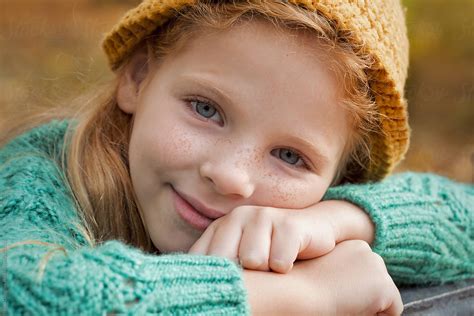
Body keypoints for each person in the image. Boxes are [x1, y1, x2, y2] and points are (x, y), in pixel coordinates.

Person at [1, 0, 472, 315]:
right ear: (139, 77)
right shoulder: (41, 173)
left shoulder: (309, 211)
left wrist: (342, 218)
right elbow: (35, 293)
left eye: (289, 156)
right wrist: (304, 295)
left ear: (341, 174)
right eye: (206, 109)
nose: (230, 177)